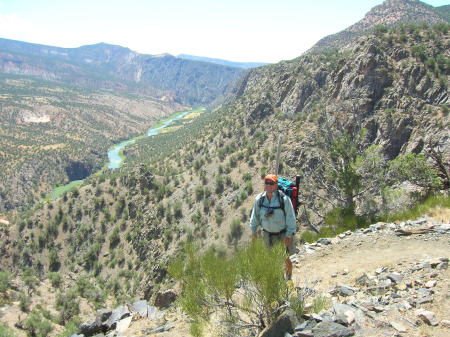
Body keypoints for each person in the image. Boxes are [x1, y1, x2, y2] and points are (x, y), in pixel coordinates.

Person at [249, 174, 296, 280]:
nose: (269, 185)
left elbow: (291, 218)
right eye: (267, 183)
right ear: (264, 185)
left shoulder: (284, 200)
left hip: (282, 234)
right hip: (267, 235)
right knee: (272, 258)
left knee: (285, 258)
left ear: (276, 185)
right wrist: (253, 232)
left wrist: (289, 235)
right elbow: (254, 217)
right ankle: (279, 280)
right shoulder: (259, 200)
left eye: (272, 183)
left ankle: (289, 278)